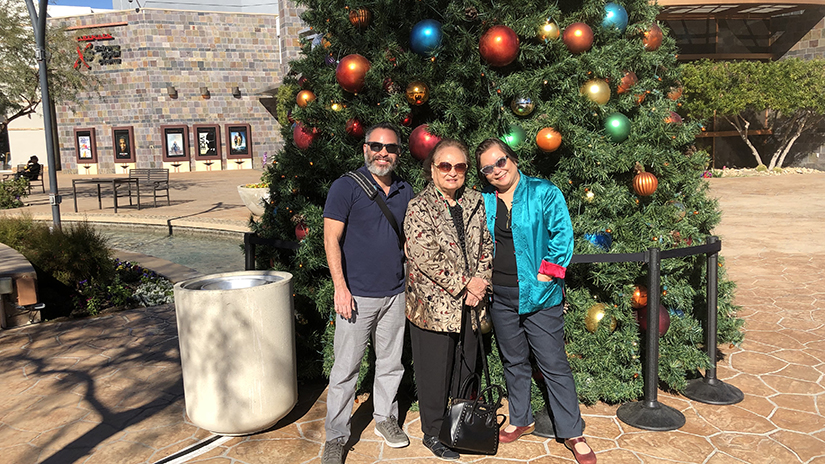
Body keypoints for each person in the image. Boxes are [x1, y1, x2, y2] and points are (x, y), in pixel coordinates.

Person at [475, 138, 596, 464]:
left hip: (541, 296)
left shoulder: (544, 192)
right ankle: (521, 419)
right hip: (500, 298)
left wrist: (546, 275)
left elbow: (563, 237)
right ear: (484, 175)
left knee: (553, 365)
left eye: (500, 162)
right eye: (488, 168)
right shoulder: (486, 201)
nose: (496, 170)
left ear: (513, 159)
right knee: (513, 362)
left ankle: (573, 431)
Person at [321, 122, 414, 464]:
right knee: (346, 370)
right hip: (356, 295)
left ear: (398, 154)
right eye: (376, 146)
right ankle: (336, 436)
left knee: (390, 364)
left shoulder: (405, 190)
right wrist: (340, 288)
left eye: (389, 148)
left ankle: (384, 419)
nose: (382, 153)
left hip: (394, 293)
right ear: (365, 149)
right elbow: (330, 239)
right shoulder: (346, 187)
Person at [404, 138, 494, 461]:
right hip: (433, 308)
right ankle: (433, 431)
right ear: (433, 169)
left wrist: (480, 285)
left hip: (472, 304)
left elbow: (486, 244)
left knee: (465, 367)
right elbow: (423, 255)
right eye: (445, 165)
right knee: (434, 372)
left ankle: (458, 427)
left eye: (459, 166)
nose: (452, 172)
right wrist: (465, 284)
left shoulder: (475, 201)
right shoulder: (419, 207)